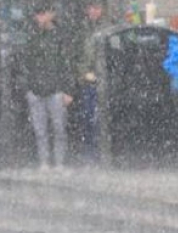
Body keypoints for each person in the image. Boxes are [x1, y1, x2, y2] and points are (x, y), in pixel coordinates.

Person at [22, 2, 74, 171]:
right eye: (38, 14)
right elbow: (25, 65)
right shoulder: (31, 37)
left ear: (51, 14)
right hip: (36, 91)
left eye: (44, 13)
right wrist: (28, 89)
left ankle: (59, 162)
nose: (40, 17)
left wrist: (68, 90)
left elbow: (66, 65)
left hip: (56, 90)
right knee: (40, 131)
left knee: (59, 129)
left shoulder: (60, 37)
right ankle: (44, 162)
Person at [73, 0, 108, 165]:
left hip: (105, 82)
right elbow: (76, 56)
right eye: (91, 7)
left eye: (97, 7)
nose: (94, 11)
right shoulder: (81, 30)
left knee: (102, 119)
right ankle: (90, 154)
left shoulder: (108, 28)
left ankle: (103, 154)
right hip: (87, 83)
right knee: (88, 118)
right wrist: (83, 74)